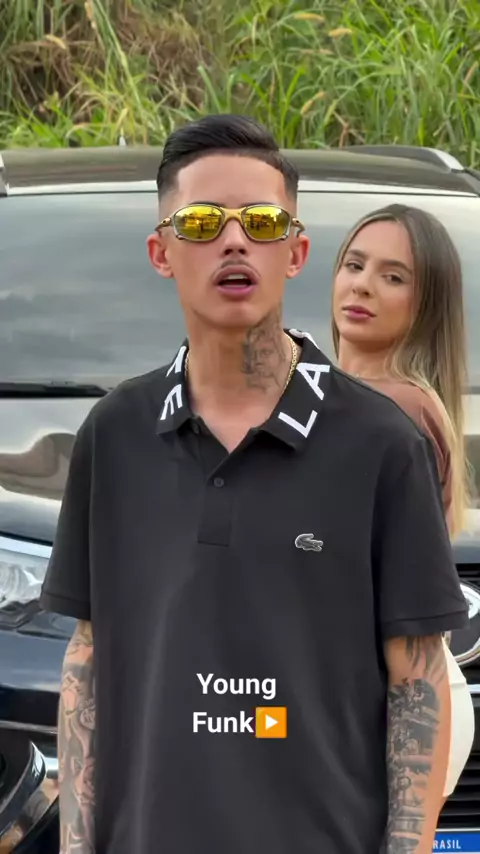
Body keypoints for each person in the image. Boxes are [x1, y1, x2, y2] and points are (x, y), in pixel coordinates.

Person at [40, 114, 468, 854]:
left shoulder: (381, 444)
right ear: (162, 252)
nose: (234, 241)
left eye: (262, 222)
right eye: (202, 222)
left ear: (295, 251)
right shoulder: (114, 434)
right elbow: (89, 657)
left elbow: (417, 676)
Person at [331, 202, 475, 800]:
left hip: (383, 701)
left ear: (426, 304)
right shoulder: (345, 399)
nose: (363, 284)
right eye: (354, 264)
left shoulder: (394, 408)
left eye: (393, 276)